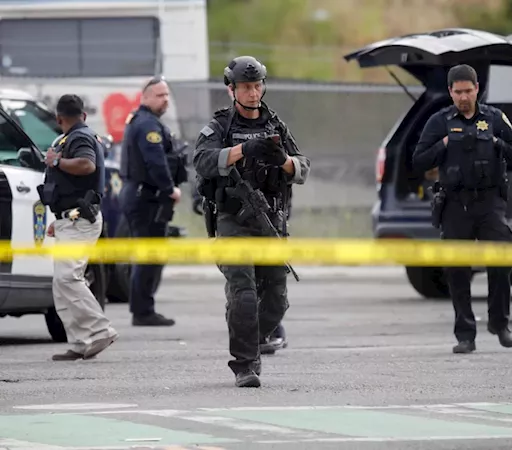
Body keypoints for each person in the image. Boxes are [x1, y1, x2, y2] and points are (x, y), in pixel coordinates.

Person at [193, 56, 309, 387]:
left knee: (276, 300)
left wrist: (284, 161)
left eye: (257, 86)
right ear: (232, 90)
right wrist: (245, 150)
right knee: (243, 295)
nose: (253, 93)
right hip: (233, 223)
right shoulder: (219, 127)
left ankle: (250, 339)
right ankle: (245, 364)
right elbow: (201, 161)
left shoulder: (277, 125)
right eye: (246, 87)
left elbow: (303, 167)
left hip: (271, 222)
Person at [412, 64, 512, 354]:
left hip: (490, 202)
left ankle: (499, 323)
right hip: (454, 203)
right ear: (450, 92)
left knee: (502, 259)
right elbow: (419, 160)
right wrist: (446, 143)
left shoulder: (494, 118)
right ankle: (465, 333)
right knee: (457, 270)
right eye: (458, 91)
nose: (464, 97)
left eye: (468, 90)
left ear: (478, 88)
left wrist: (497, 143)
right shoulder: (439, 121)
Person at [38, 94, 119, 361]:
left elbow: (87, 165)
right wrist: (59, 219)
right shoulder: (72, 137)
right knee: (61, 284)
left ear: (59, 119)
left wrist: (56, 161)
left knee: (67, 279)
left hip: (80, 220)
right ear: (83, 115)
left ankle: (100, 330)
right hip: (69, 219)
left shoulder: (79, 137)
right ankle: (80, 341)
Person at [119, 76, 187, 327]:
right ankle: (143, 310)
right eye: (159, 95)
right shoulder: (147, 125)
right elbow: (155, 161)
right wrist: (170, 189)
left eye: (167, 94)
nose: (165, 99)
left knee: (150, 252)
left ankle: (143, 307)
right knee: (149, 254)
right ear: (145, 97)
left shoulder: (144, 121)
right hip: (145, 197)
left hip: (140, 194)